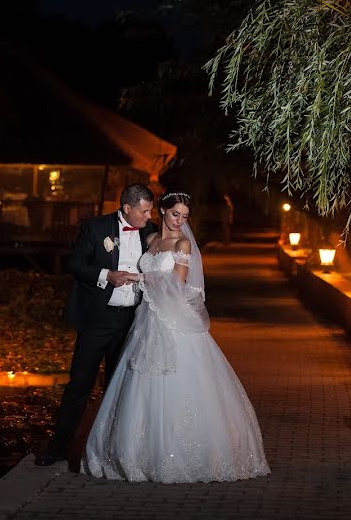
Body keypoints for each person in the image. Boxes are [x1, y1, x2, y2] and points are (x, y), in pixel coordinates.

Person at [81, 190, 270, 483]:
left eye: (184, 217)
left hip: (172, 320)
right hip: (146, 319)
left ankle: (180, 453)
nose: (180, 221)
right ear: (162, 212)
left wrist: (139, 278)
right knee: (139, 383)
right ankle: (136, 454)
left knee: (177, 382)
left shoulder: (183, 244)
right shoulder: (151, 240)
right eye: (175, 214)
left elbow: (177, 285)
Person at [34, 183, 156, 466]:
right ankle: (58, 448)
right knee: (79, 385)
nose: (149, 216)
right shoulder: (96, 228)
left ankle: (114, 451)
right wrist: (106, 275)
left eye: (150, 210)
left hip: (131, 323)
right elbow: (75, 264)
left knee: (121, 388)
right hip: (97, 320)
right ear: (127, 208)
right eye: (145, 211)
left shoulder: (151, 232)